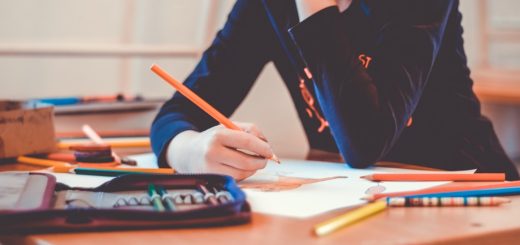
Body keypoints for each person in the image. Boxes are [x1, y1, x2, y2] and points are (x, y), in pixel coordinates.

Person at [151, 0, 520, 180]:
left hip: (467, 191)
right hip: (351, 198)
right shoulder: (267, 6)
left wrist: (314, 7)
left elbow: (365, 143)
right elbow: (176, 113)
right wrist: (189, 151)